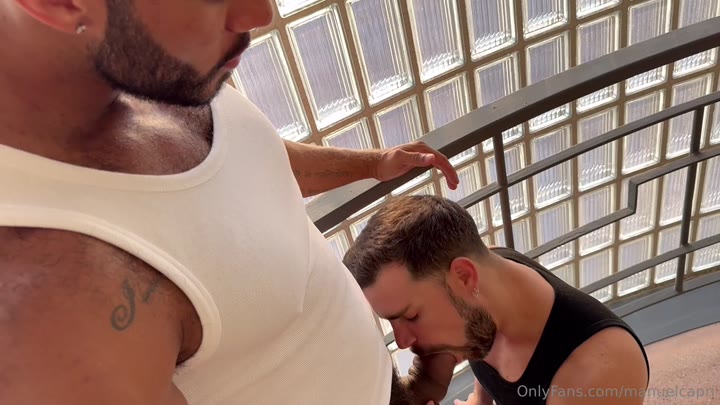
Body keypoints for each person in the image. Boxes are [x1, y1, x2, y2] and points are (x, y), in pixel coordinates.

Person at [0, 1, 462, 404]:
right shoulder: (48, 306)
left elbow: (249, 156)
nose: (261, 14)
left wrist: (373, 164)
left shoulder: (160, 68)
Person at [343, 195, 651, 405]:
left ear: (465, 276)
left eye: (411, 316)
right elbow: (486, 353)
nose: (403, 341)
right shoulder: (483, 287)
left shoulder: (598, 373)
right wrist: (480, 401)